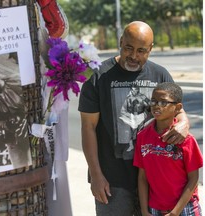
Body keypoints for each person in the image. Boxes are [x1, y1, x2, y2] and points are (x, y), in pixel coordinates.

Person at [78, 21, 189, 215]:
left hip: (156, 179)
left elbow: (178, 111)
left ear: (150, 49)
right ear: (121, 42)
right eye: (128, 48)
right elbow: (88, 127)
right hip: (113, 182)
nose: (134, 56)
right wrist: (96, 175)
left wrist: (184, 123)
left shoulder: (160, 75)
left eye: (141, 50)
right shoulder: (99, 77)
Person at [133, 82, 203, 216]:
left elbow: (193, 179)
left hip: (185, 208)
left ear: (177, 108)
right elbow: (142, 177)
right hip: (155, 208)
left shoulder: (186, 140)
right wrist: (144, 210)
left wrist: (175, 213)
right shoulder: (143, 137)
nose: (156, 106)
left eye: (163, 102)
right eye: (154, 101)